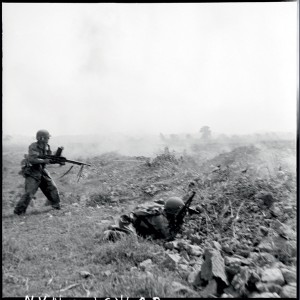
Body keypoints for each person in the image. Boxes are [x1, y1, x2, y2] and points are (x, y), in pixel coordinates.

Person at [103, 189, 196, 242]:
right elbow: (168, 237)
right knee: (133, 240)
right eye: (179, 212)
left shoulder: (165, 211)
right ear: (173, 212)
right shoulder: (161, 220)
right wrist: (179, 223)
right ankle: (112, 233)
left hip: (135, 221)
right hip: (130, 225)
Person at [14, 129, 61, 215]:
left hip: (42, 170)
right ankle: (19, 212)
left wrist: (57, 160)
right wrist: (44, 161)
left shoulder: (47, 146)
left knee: (52, 188)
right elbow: (32, 159)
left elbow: (49, 158)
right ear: (41, 138)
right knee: (29, 193)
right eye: (47, 138)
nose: (48, 139)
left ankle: (56, 206)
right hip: (32, 171)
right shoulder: (33, 146)